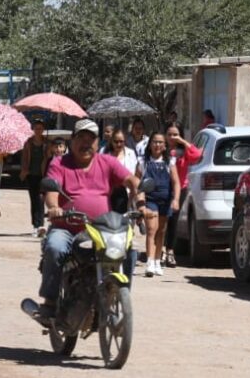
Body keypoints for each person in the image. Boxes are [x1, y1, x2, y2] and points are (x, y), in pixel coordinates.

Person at [34, 119, 141, 317]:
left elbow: (131, 180)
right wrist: (54, 207)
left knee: (128, 249)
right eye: (81, 138)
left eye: (90, 139)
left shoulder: (106, 162)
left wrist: (140, 197)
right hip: (66, 227)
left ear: (97, 142)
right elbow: (51, 191)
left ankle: (118, 293)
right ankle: (49, 301)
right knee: (54, 247)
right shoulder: (60, 163)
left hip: (100, 228)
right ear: (72, 140)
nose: (85, 143)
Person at [138, 132, 180, 277]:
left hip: (165, 201)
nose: (157, 145)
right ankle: (149, 262)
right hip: (150, 200)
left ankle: (157, 261)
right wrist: (141, 202)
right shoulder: (143, 162)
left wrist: (176, 199)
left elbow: (176, 183)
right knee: (151, 230)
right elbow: (137, 184)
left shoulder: (170, 162)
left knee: (161, 231)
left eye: (161, 142)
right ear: (150, 144)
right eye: (155, 142)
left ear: (165, 146)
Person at [162, 121, 201, 267]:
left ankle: (170, 251)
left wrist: (183, 142)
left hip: (180, 189)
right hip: (162, 189)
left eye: (175, 134)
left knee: (173, 220)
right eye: (170, 134)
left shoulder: (184, 151)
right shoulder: (161, 149)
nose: (172, 137)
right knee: (161, 221)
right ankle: (159, 251)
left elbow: (197, 155)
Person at [20, 119, 49, 236]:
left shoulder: (47, 143)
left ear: (43, 130)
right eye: (36, 128)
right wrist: (24, 171)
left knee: (41, 200)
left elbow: (50, 157)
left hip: (43, 175)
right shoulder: (28, 143)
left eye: (40, 129)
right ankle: (35, 225)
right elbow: (24, 158)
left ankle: (41, 224)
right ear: (33, 130)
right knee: (34, 200)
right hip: (31, 175)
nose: (38, 131)